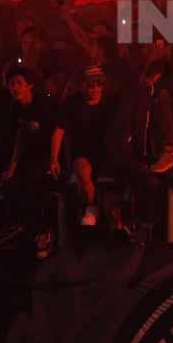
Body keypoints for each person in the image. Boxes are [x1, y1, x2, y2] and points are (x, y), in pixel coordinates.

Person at [2, 65, 64, 259]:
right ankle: (27, 231)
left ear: (29, 85)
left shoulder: (43, 104)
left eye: (18, 83)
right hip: (29, 158)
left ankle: (45, 234)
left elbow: (58, 129)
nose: (14, 87)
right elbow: (19, 137)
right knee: (12, 182)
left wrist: (54, 159)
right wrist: (11, 167)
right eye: (11, 84)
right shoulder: (15, 108)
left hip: (49, 155)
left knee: (35, 182)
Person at [63, 66, 122, 226]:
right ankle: (91, 207)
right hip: (82, 152)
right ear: (84, 85)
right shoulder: (74, 103)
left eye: (99, 84)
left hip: (104, 152)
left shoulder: (110, 104)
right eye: (91, 85)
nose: (95, 88)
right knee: (82, 171)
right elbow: (60, 129)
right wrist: (54, 159)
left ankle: (104, 213)